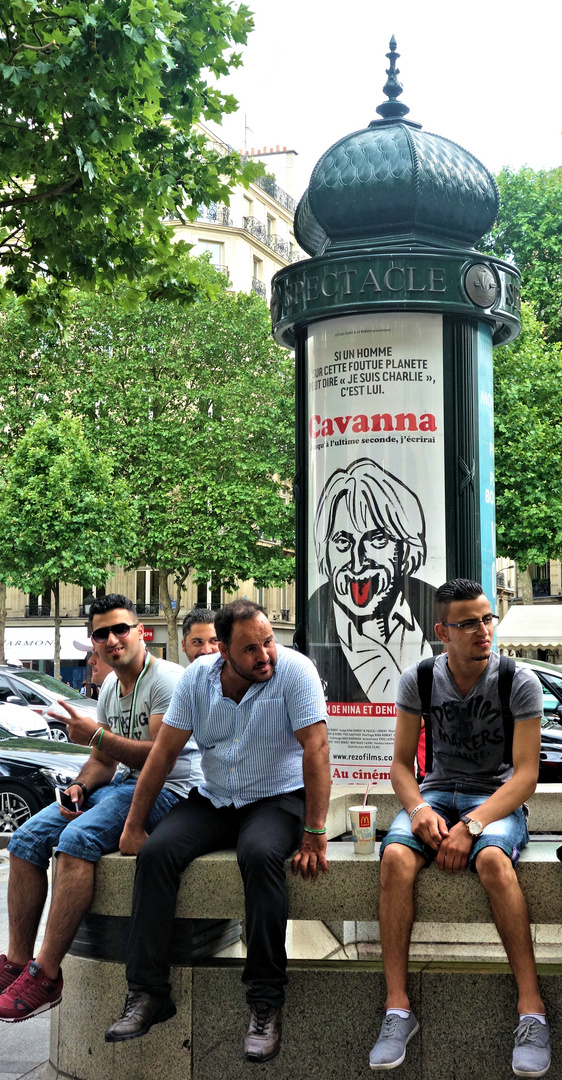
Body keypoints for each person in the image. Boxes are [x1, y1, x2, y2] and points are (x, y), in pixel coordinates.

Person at [104, 600, 330, 1064]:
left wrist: (315, 831)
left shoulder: (295, 672)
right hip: (216, 796)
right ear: (223, 651)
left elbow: (317, 749)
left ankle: (265, 1002)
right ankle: (148, 993)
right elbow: (162, 755)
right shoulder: (197, 680)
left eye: (267, 642)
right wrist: (133, 827)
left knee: (260, 855)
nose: (265, 655)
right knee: (156, 854)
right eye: (250, 649)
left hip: (278, 796)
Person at [369, 579, 550, 1077]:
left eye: (487, 619)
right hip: (435, 795)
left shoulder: (517, 680)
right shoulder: (420, 679)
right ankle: (397, 1009)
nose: (483, 630)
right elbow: (401, 767)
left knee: (493, 860)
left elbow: (527, 776)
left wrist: (472, 824)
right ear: (442, 631)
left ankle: (532, 1011)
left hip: (493, 799)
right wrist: (420, 810)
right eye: (468, 623)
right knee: (395, 857)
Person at [0, 594, 203, 1023]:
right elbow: (104, 763)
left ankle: (46, 974)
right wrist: (78, 785)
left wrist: (96, 737)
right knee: (25, 839)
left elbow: (159, 759)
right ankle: (17, 964)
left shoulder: (167, 680)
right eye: (101, 633)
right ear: (93, 642)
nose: (112, 640)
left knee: (76, 840)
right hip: (124, 785)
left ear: (139, 631)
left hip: (172, 791)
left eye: (120, 629)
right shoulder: (111, 684)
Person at [308, 457, 437, 702]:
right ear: (325, 552)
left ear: (406, 548)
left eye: (377, 540)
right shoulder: (315, 614)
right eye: (343, 542)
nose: (358, 562)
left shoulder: (435, 605)